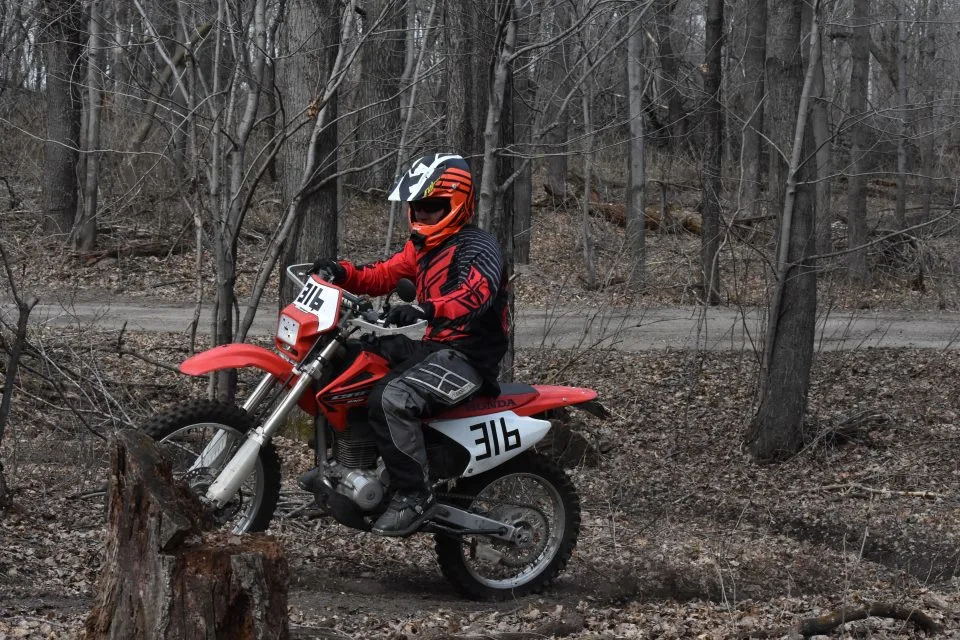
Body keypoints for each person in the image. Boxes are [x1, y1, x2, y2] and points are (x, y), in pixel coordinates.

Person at [311, 153, 509, 536]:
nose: (423, 215)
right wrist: (343, 273)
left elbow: (474, 295)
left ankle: (414, 494)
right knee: (343, 359)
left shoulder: (478, 247)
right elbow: (384, 274)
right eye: (418, 207)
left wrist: (424, 309)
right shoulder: (421, 247)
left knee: (391, 397)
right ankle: (351, 463)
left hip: (469, 357)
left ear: (457, 204)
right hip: (435, 348)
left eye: (433, 207)